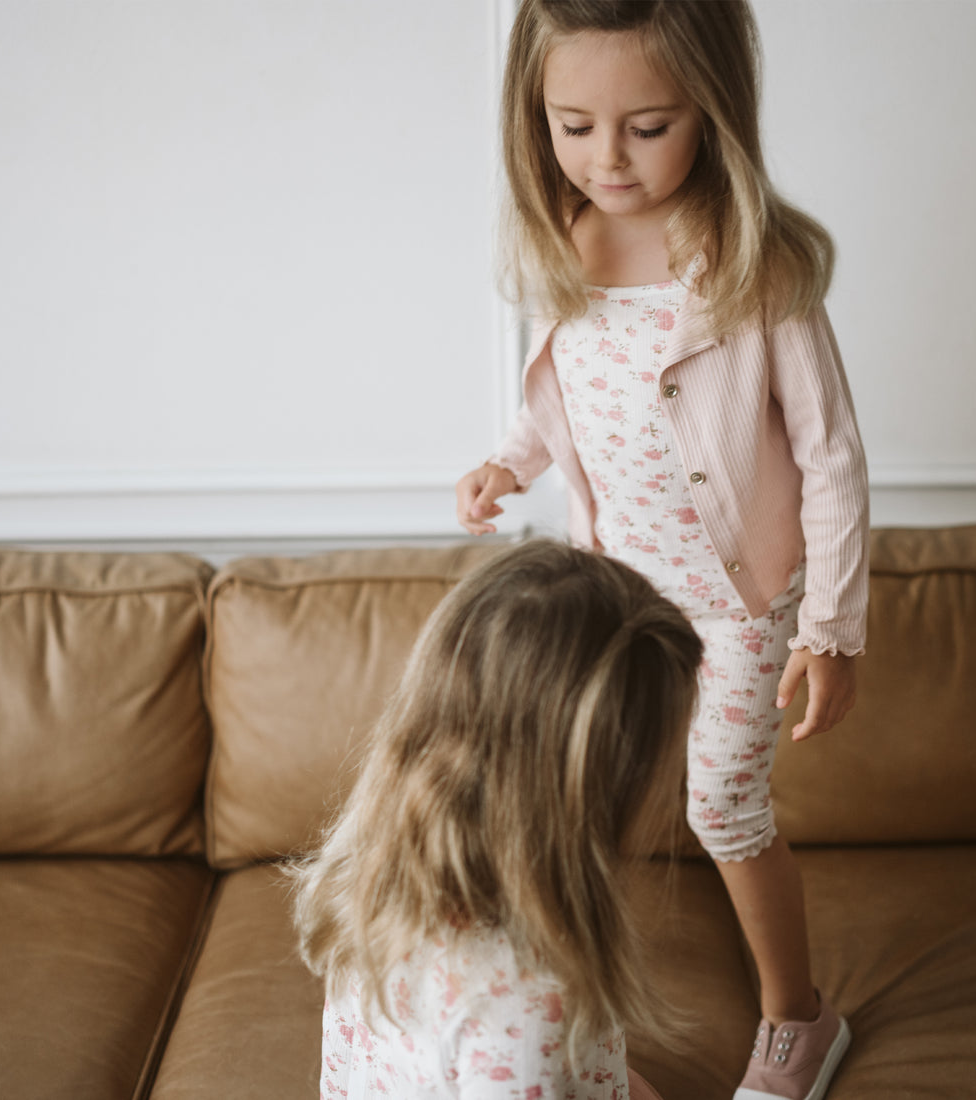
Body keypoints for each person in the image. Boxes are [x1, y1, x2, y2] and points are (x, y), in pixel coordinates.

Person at [455, 3, 868, 1098]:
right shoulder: (563, 237)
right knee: (563, 785)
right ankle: (569, 1003)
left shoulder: (751, 266)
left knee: (720, 801)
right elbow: (568, 396)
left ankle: (797, 1017)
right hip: (615, 597)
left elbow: (828, 458)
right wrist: (507, 463)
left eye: (645, 126)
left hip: (737, 601)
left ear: (711, 112)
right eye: (572, 126)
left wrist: (829, 627)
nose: (606, 160)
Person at [293, 539, 703, 1099]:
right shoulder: (524, 1004)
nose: (678, 774)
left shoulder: (374, 855)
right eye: (673, 750)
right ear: (595, 797)